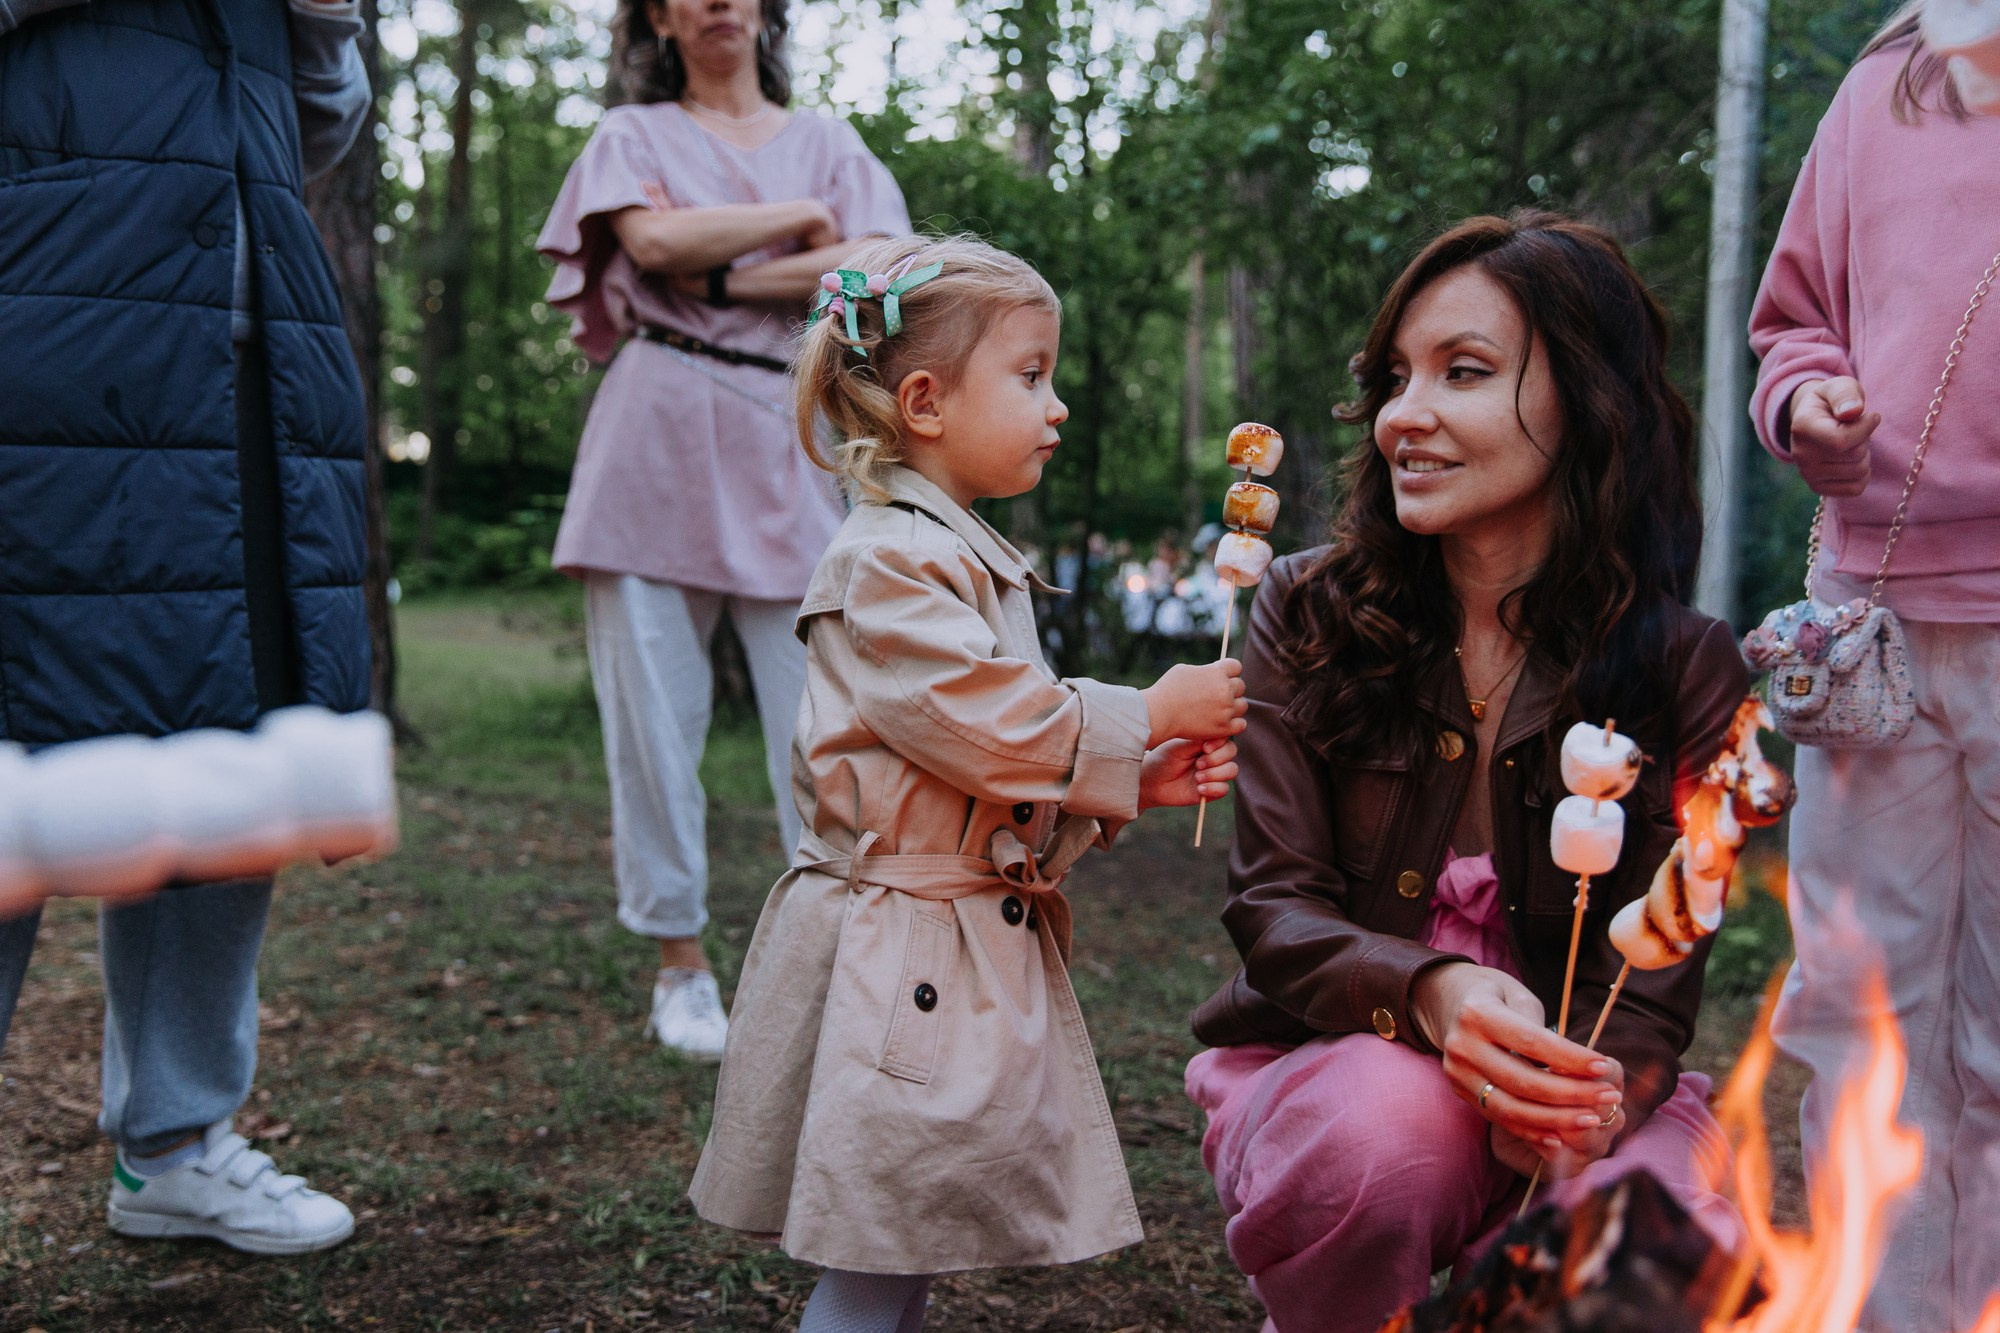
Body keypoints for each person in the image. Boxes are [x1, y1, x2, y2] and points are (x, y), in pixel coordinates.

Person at [1182, 213, 1752, 1333]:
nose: (1404, 414)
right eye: (1395, 376)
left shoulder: (1687, 667)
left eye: (1463, 372)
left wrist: (1587, 1104)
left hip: (1560, 1087)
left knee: (1651, 1262)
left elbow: (1647, 992)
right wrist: (1430, 992)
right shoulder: (1306, 609)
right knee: (1384, 1141)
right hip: (1343, 1058)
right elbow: (1273, 909)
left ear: (1590, 405)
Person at [687, 234, 1246, 1333]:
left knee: (903, 1237)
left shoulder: (954, 555)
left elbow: (982, 786)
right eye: (1031, 374)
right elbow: (987, 726)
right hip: (897, 958)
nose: (1058, 405)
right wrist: (1148, 711)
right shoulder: (885, 560)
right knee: (878, 1242)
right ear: (927, 402)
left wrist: (1130, 776)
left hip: (940, 940)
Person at [0, 0, 373, 1253]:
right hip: (40, 332)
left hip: (242, 356)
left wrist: (323, 24)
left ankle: (176, 1145)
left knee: (228, 745)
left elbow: (313, 133)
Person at [537, 0, 911, 1061]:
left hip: (788, 429)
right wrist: (800, 223)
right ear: (657, 14)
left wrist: (718, 275)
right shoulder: (630, 136)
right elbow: (646, 239)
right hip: (650, 429)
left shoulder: (830, 141)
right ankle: (680, 967)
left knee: (825, 717)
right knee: (652, 723)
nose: (715, 1)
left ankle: (827, 951)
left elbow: (880, 264)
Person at [1750, 8, 2000, 1329]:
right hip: (1874, 631)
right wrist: (1807, 407)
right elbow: (1791, 322)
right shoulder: (1877, 94)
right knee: (1864, 1020)